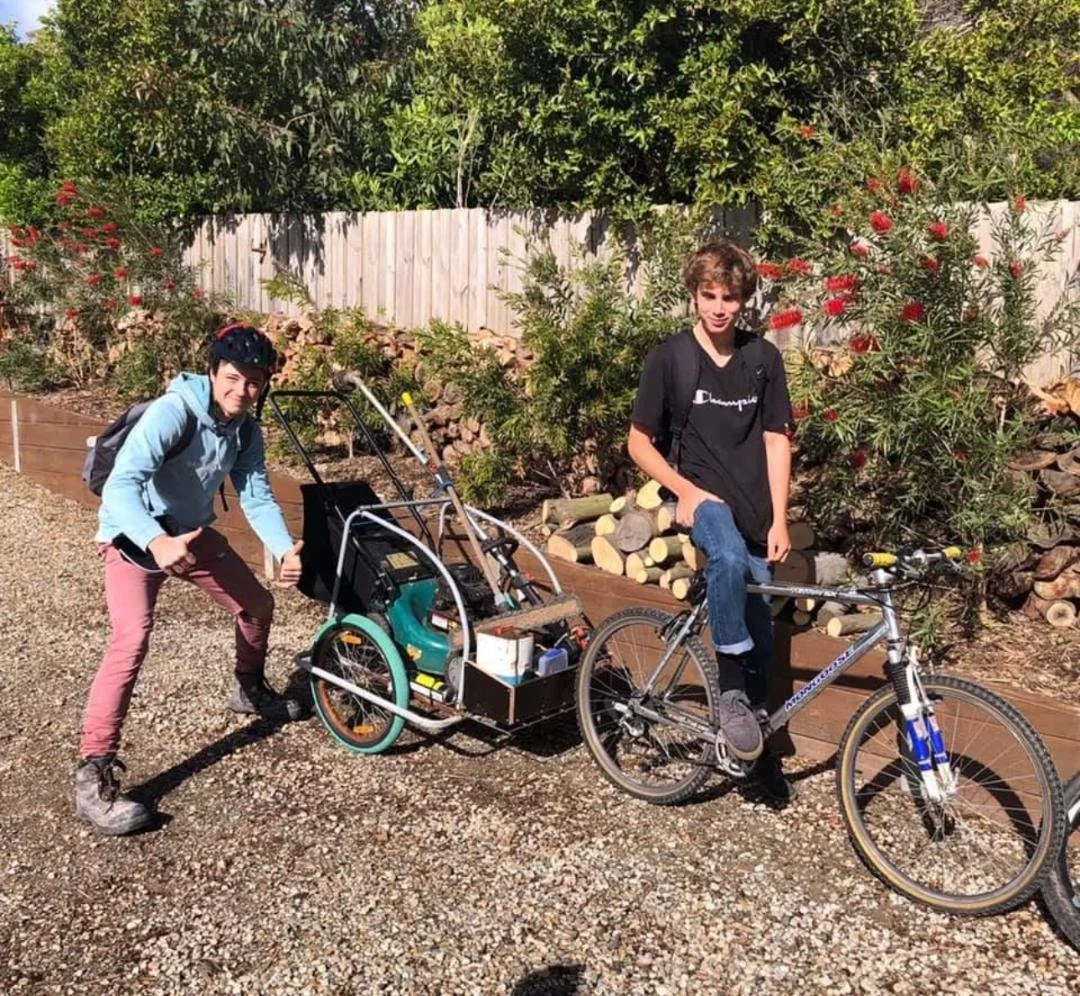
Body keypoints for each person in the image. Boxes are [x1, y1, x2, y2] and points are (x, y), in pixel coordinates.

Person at [75, 323, 306, 835]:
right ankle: (93, 771)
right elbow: (120, 487)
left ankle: (247, 689)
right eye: (232, 377)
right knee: (130, 639)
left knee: (257, 605)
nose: (242, 390)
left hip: (191, 534)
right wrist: (156, 541)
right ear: (212, 371)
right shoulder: (173, 413)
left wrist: (282, 547)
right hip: (134, 538)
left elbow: (257, 494)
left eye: (253, 381)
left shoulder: (245, 428)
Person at [628, 240, 795, 802]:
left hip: (755, 506)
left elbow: (776, 439)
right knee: (723, 556)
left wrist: (779, 519)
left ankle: (754, 747)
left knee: (761, 620)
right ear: (693, 296)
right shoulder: (670, 359)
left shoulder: (762, 359)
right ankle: (727, 690)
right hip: (703, 497)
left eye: (730, 297)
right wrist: (685, 491)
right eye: (709, 295)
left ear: (744, 300)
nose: (719, 307)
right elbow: (638, 443)